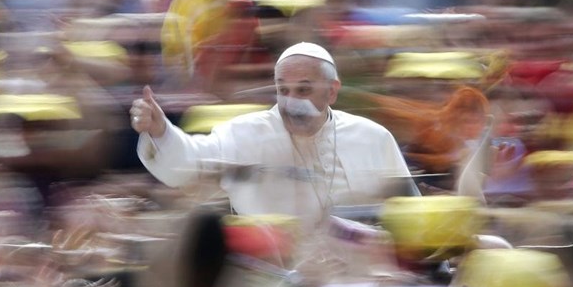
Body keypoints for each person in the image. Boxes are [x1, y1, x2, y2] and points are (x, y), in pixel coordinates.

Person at [130, 42, 415, 225]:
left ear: (332, 91)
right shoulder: (245, 132)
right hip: (270, 272)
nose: (291, 102)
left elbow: (407, 210)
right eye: (283, 90)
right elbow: (188, 163)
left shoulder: (372, 137)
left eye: (303, 90)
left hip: (355, 272)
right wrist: (160, 130)